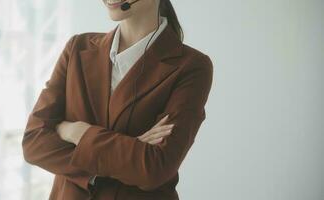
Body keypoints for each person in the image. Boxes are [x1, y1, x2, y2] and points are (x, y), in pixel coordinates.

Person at [22, 0, 214, 199]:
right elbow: (34, 143)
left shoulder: (192, 66)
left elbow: (155, 169)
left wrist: (77, 132)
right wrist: (128, 153)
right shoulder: (76, 48)